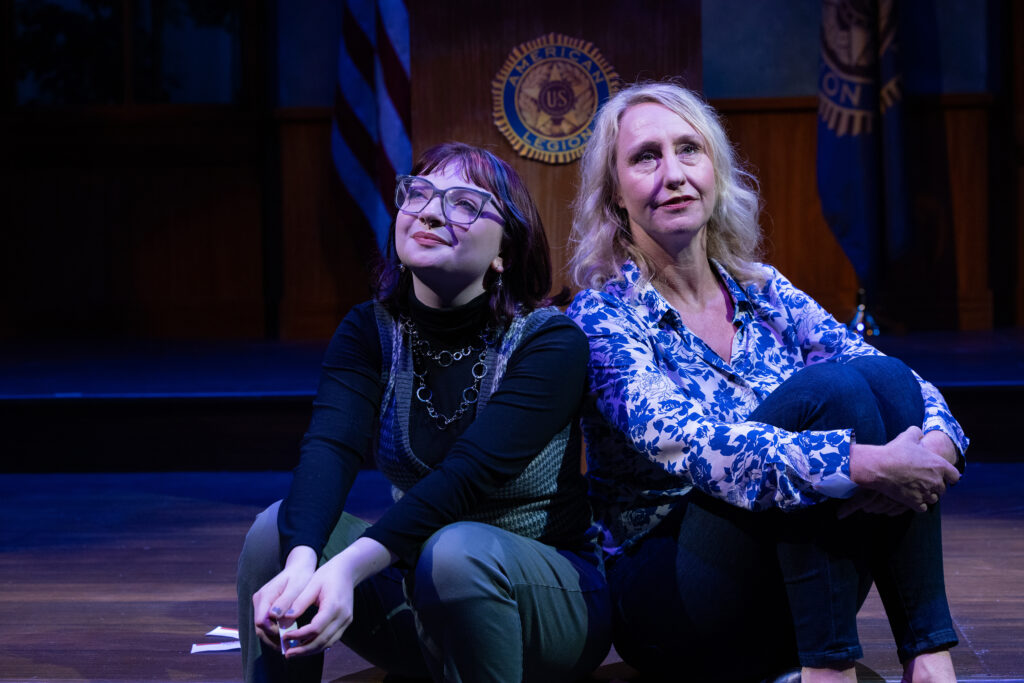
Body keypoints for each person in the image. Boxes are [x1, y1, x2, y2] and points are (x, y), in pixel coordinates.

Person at [565, 82, 968, 683]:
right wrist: (859, 464)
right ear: (615, 194)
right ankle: (829, 669)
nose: (673, 174)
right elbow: (688, 443)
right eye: (646, 157)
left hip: (784, 590)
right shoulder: (603, 315)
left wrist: (930, 450)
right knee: (832, 396)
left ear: (715, 171)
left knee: (880, 378)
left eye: (689, 150)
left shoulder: (762, 288)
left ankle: (928, 657)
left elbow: (902, 381)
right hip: (671, 600)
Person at [237, 142, 611, 683]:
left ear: (505, 251)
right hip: (422, 594)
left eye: (464, 203)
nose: (430, 212)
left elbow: (467, 477)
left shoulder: (550, 342)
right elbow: (330, 450)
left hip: (546, 605)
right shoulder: (369, 330)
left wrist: (346, 568)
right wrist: (302, 564)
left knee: (455, 551)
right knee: (278, 532)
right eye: (419, 194)